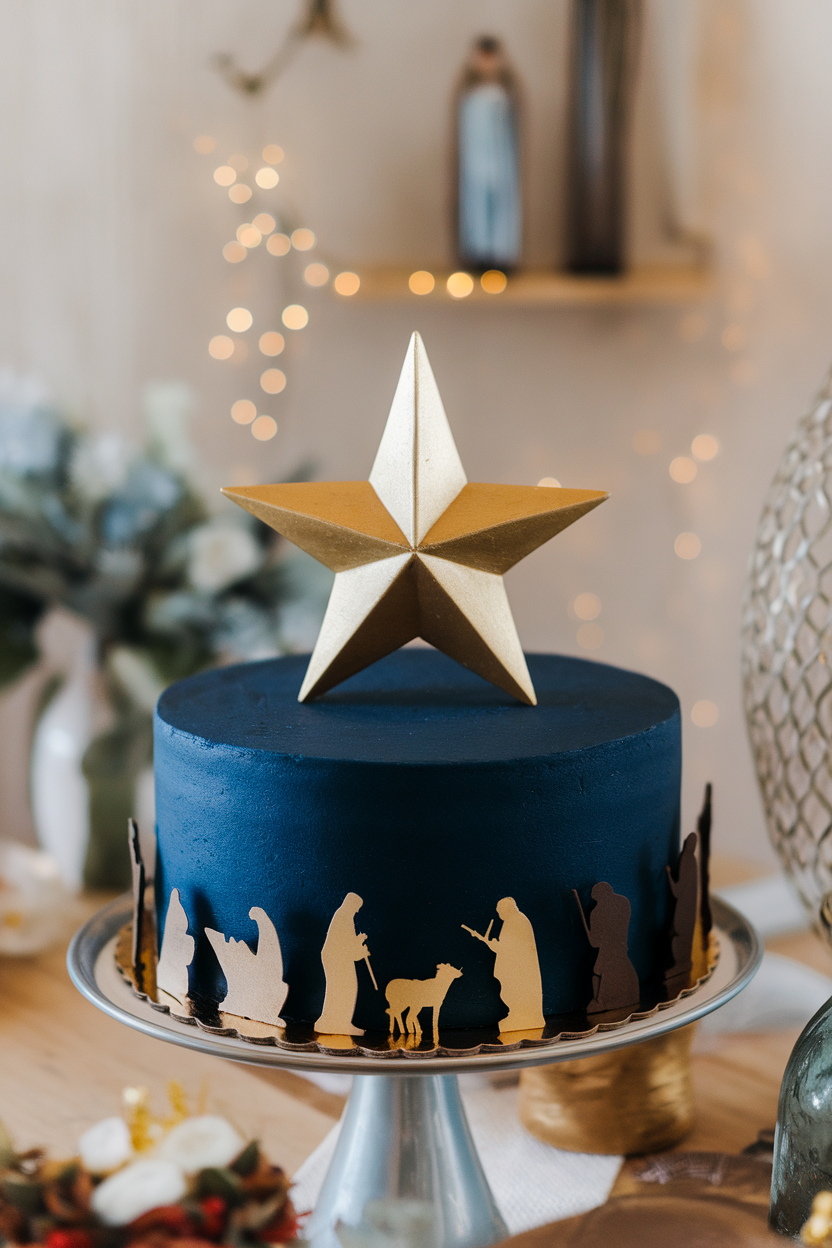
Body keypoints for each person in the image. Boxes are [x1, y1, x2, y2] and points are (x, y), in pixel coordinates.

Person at [455, 36, 521, 272]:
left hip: (502, 161)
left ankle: (502, 255)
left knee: (502, 209)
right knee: (475, 209)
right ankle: (477, 255)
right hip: (474, 162)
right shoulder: (466, 92)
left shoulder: (507, 92)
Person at [464, 896, 544, 1032]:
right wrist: (492, 943)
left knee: (513, 992)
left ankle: (521, 1016)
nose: (499, 913)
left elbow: (509, 948)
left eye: (500, 910)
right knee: (509, 992)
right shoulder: (514, 921)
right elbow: (506, 947)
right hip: (516, 968)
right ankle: (516, 1015)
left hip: (518, 970)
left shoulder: (516, 921)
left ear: (508, 909)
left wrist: (492, 943)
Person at [315, 892, 371, 1035]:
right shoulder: (343, 917)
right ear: (351, 904)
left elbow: (347, 942)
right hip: (336, 958)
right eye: (357, 907)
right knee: (344, 988)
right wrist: (361, 952)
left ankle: (336, 1022)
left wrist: (359, 941)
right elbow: (345, 946)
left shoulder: (345, 916)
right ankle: (335, 1023)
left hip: (338, 957)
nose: (357, 910)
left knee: (342, 989)